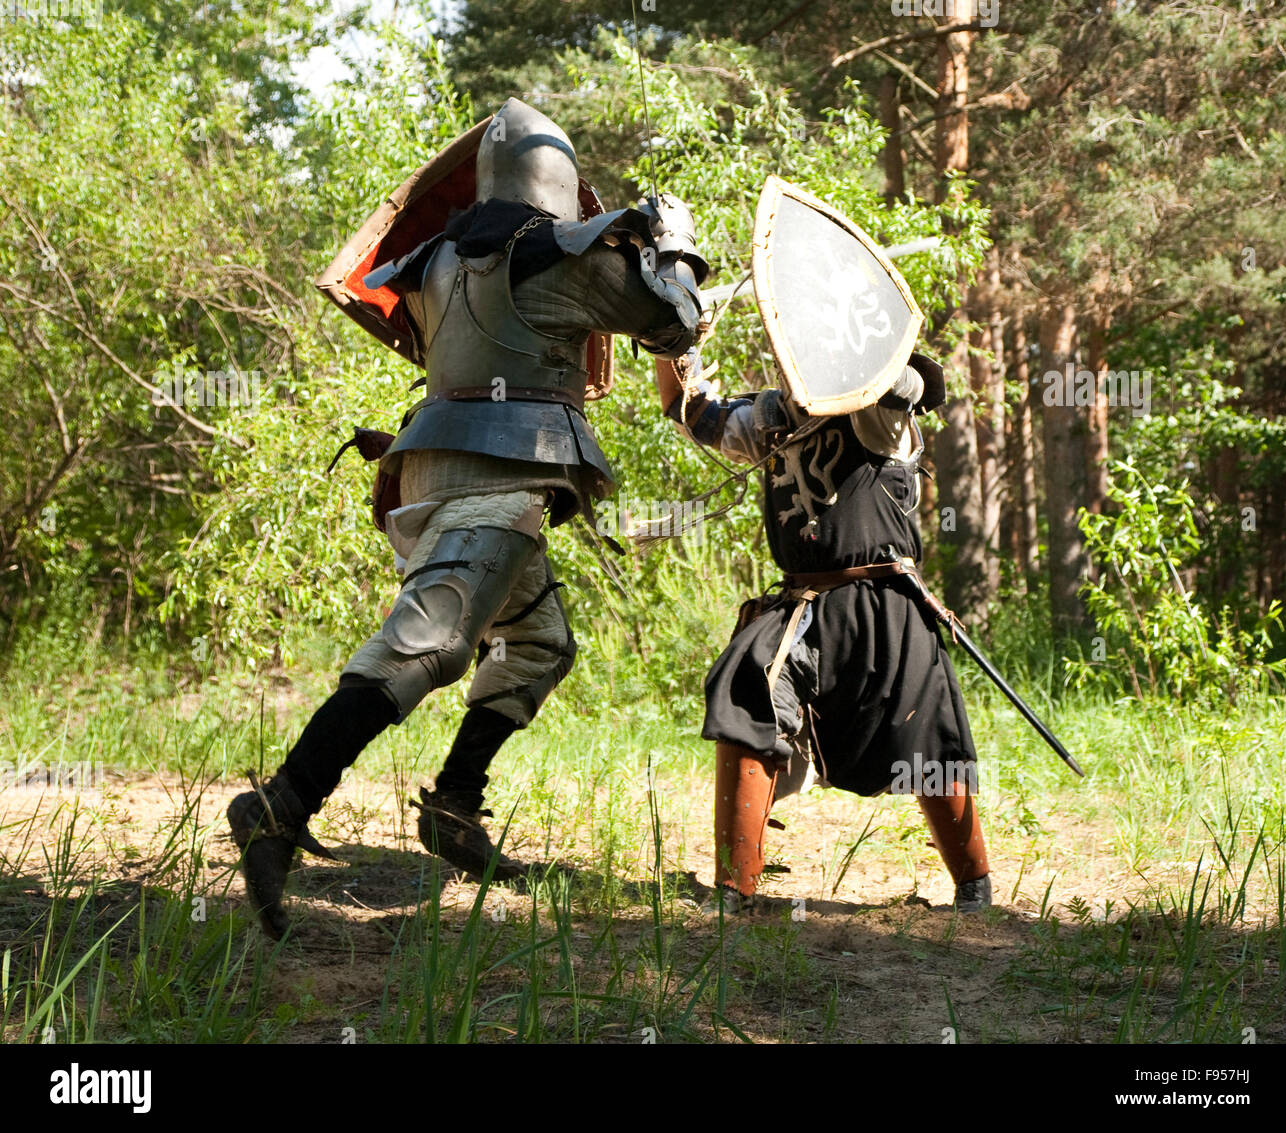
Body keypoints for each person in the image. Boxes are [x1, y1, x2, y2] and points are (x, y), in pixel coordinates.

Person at [227, 98, 708, 939]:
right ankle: (280, 805)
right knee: (430, 645)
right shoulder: (552, 255)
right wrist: (674, 243)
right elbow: (672, 325)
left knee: (540, 644)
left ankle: (453, 807)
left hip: (439, 462)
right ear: (558, 183)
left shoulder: (433, 258)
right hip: (503, 474)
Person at [654, 344, 992, 913]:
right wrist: (671, 340)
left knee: (927, 737)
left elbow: (902, 383)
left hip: (887, 605)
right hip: (802, 605)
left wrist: (860, 350)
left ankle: (974, 888)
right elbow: (689, 409)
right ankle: (734, 892)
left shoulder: (877, 410)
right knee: (747, 689)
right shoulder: (773, 417)